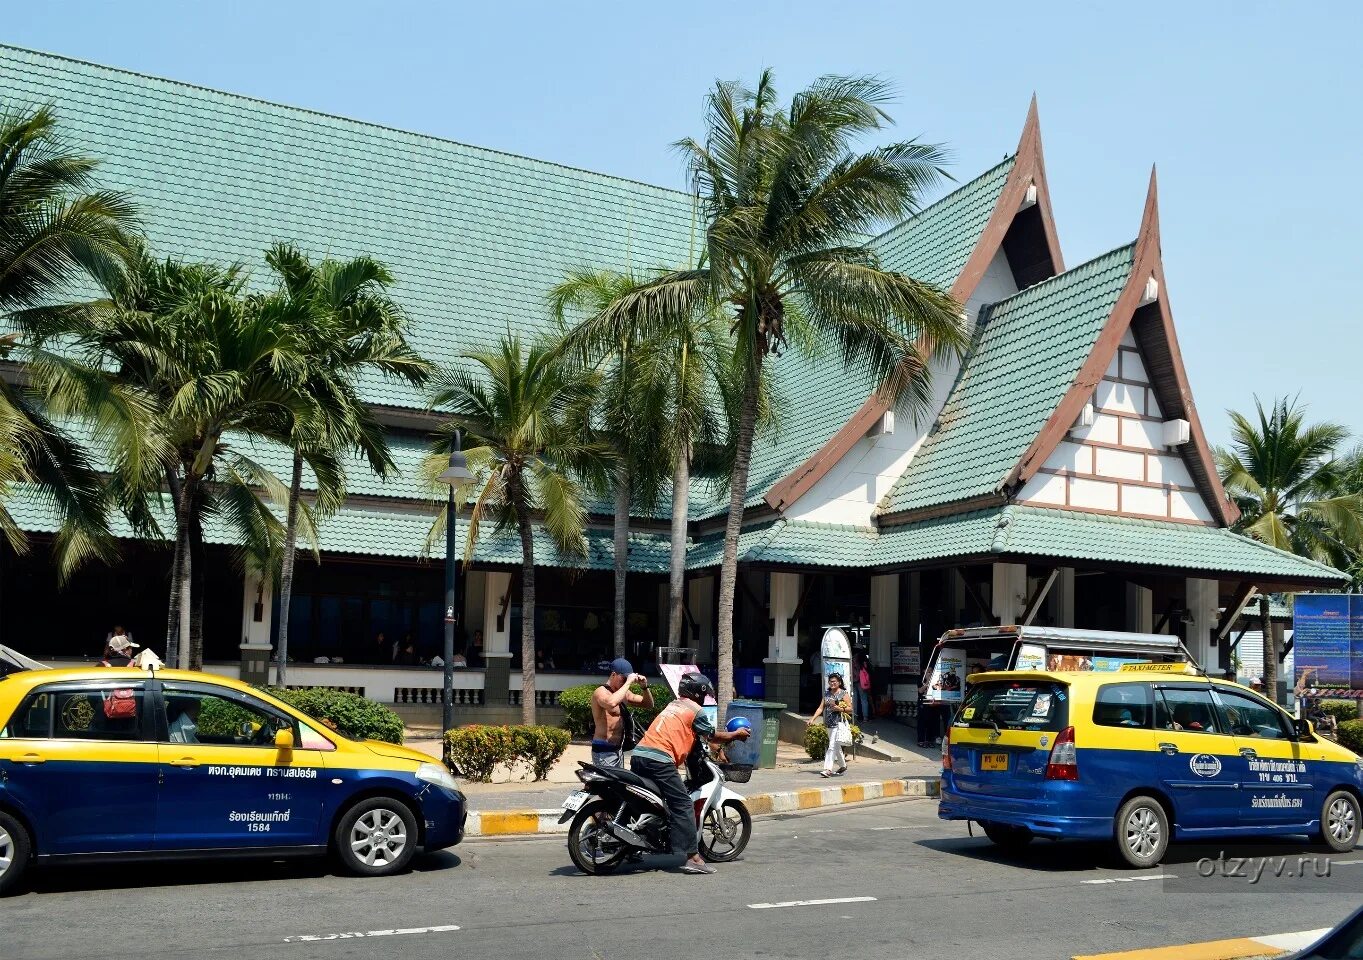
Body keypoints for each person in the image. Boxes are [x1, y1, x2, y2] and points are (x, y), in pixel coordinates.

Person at [631, 672, 750, 875]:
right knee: (683, 803)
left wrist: (718, 750)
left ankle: (635, 844)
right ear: (698, 693)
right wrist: (735, 735)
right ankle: (692, 858)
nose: (704, 700)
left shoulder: (674, 705)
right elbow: (711, 736)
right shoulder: (695, 710)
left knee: (653, 801)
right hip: (660, 760)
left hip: (639, 756)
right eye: (704, 695)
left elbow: (695, 738)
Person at [590, 657, 653, 768]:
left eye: (627, 679)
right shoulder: (600, 692)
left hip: (618, 749)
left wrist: (644, 687)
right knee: (609, 784)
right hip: (603, 749)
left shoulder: (623, 693)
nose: (625, 681)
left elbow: (648, 704)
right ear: (613, 674)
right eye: (623, 678)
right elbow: (611, 703)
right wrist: (628, 682)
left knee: (619, 784)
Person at [806, 672, 853, 777]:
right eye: (830, 681)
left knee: (831, 746)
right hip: (828, 724)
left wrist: (840, 708)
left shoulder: (843, 694)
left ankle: (828, 769)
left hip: (838, 724)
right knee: (836, 746)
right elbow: (820, 708)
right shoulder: (827, 694)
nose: (832, 683)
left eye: (834, 681)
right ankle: (843, 766)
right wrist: (812, 719)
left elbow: (850, 709)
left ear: (839, 682)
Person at [855, 655, 873, 723]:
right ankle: (865, 718)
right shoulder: (863, 663)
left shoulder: (853, 659)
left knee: (855, 700)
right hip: (862, 683)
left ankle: (855, 717)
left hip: (854, 681)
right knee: (864, 700)